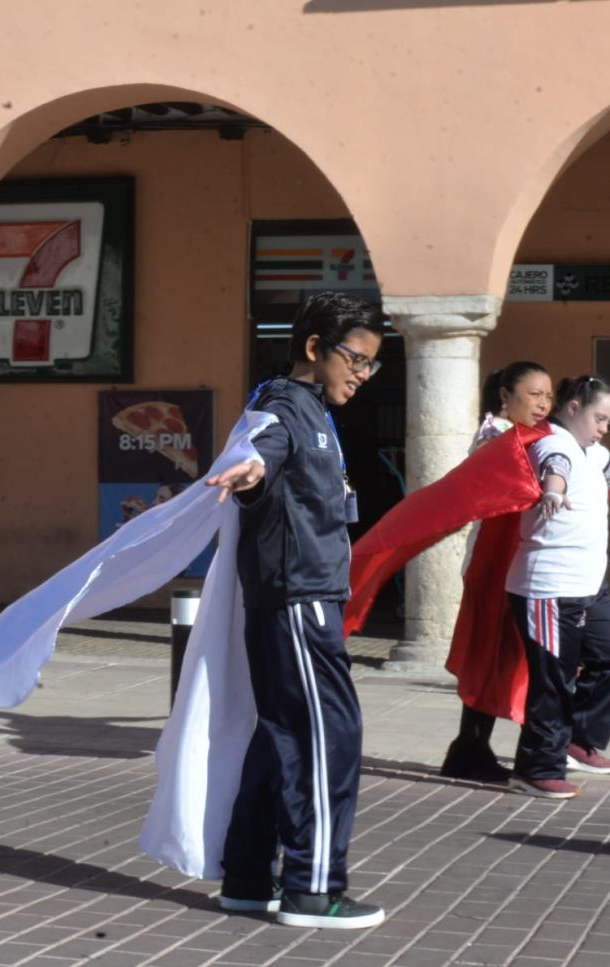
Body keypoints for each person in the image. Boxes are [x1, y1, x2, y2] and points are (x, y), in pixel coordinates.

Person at [208, 292, 387, 929]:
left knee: (281, 735)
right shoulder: (284, 408)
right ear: (314, 348)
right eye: (355, 360)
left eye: (372, 366)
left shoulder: (310, 408)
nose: (362, 376)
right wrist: (250, 472)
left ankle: (249, 877)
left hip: (302, 598)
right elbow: (262, 452)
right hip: (298, 601)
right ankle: (314, 887)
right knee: (328, 737)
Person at [506, 374, 610, 799]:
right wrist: (553, 492)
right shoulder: (552, 441)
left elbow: (609, 466)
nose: (604, 427)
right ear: (572, 409)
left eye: (608, 421)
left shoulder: (593, 449)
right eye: (599, 418)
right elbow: (556, 469)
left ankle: (575, 738)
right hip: (549, 587)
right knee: (553, 679)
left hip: (589, 585)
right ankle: (536, 768)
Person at [439, 361, 553, 782]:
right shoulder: (495, 436)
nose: (543, 403)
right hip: (494, 562)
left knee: (511, 655)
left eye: (548, 396)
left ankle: (477, 748)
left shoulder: (528, 436)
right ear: (506, 396)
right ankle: (476, 748)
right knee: (493, 654)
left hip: (512, 559)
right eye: (534, 394)